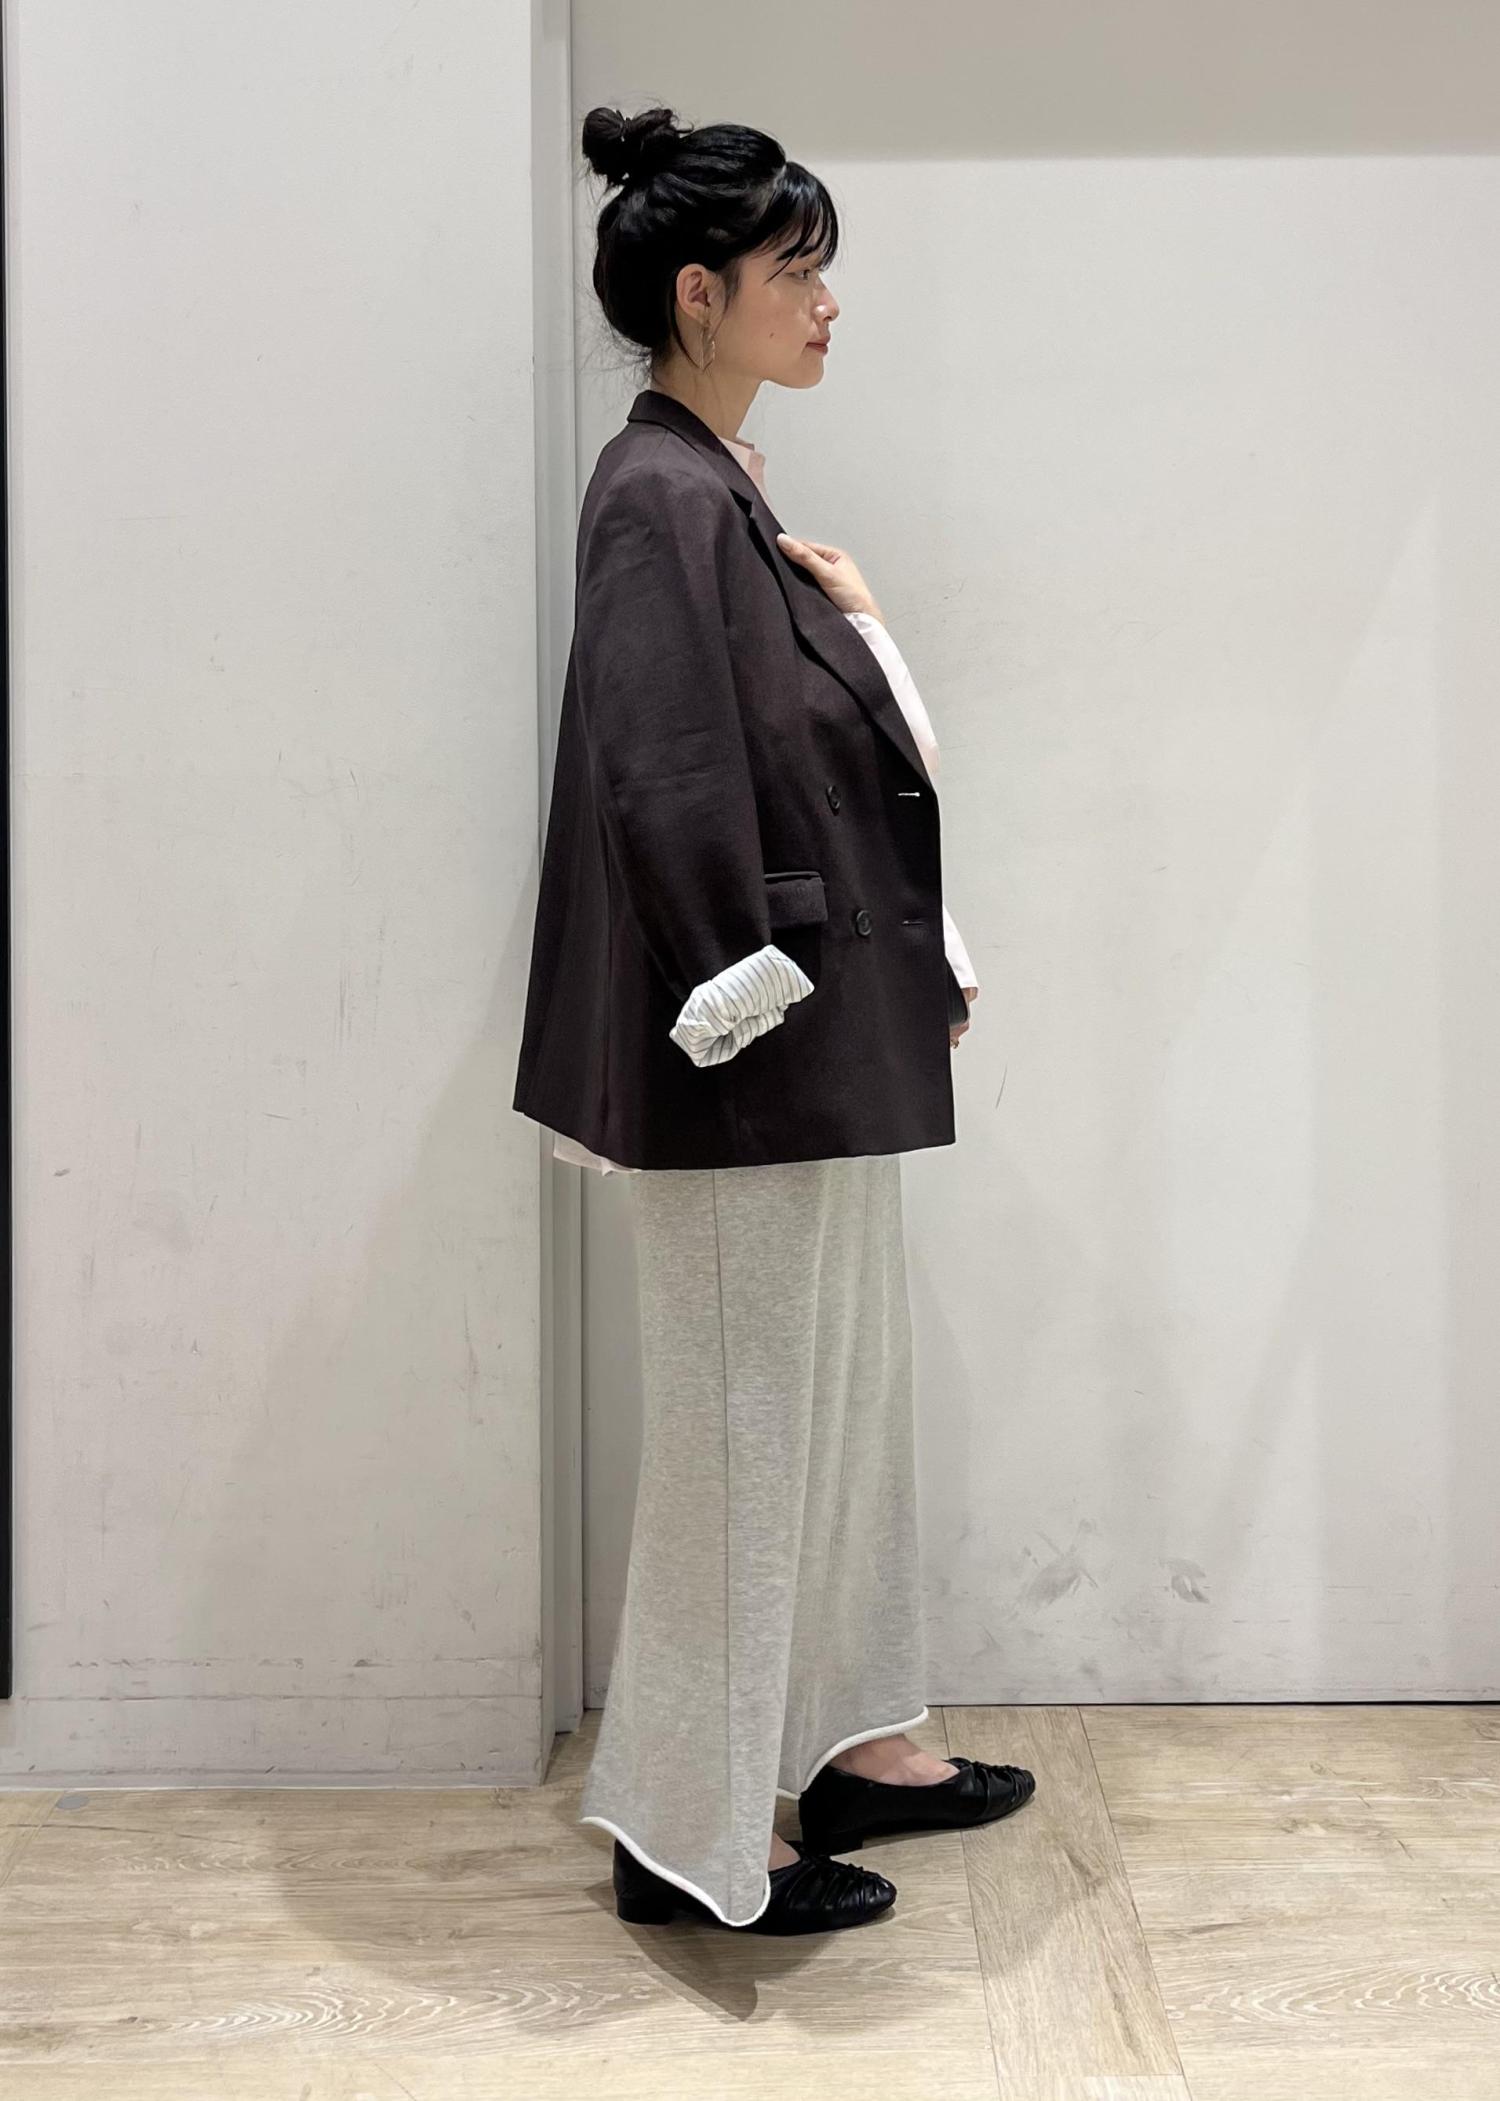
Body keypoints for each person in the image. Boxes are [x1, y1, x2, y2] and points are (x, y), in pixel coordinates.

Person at [512, 103, 1036, 1935]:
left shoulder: (717, 489)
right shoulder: (658, 496)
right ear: (700, 292)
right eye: (797, 271)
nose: (826, 303)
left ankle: (856, 1740)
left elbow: (813, 747)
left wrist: (868, 630)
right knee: (743, 1435)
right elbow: (660, 768)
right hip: (746, 1049)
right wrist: (733, 976)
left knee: (842, 1406)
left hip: (813, 1039)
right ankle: (687, 1830)